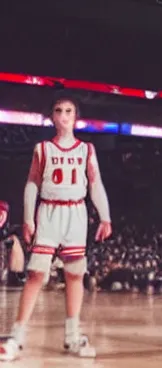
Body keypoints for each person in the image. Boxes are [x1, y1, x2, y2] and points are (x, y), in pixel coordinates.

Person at [0, 96, 112, 361]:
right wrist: (28, 219)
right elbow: (32, 185)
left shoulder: (86, 149)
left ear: (76, 117)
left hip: (76, 212)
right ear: (52, 117)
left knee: (74, 275)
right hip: (49, 211)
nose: (63, 114)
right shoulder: (43, 148)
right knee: (36, 274)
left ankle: (72, 336)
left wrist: (105, 217)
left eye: (69, 110)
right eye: (58, 110)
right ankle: (17, 337)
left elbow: (95, 185)